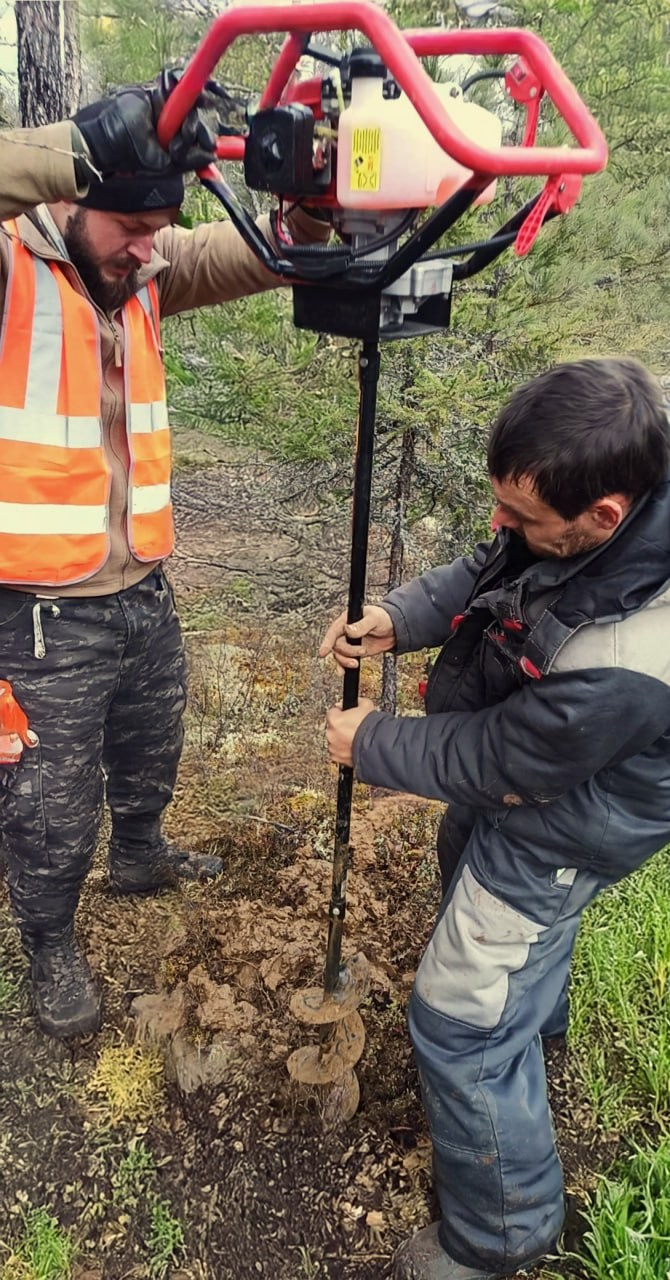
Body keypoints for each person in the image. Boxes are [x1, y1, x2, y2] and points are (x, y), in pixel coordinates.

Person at [320, 357, 670, 1280]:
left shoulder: (633, 647)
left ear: (605, 518)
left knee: (459, 1012)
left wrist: (371, 744)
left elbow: (512, 761)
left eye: (524, 517)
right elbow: (504, 564)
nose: (500, 524)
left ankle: (504, 1230)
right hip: (564, 755)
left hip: (594, 800)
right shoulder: (621, 456)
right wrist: (399, 614)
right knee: (470, 859)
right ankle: (532, 1032)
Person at [0, 79, 328, 1039]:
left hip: (142, 585)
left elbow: (239, 255)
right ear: (73, 197)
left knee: (151, 747)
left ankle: (140, 854)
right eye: (134, 225)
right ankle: (49, 943)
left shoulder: (138, 268)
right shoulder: (13, 265)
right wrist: (70, 148)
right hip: (37, 608)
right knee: (48, 805)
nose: (151, 247)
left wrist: (306, 220)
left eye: (161, 227)